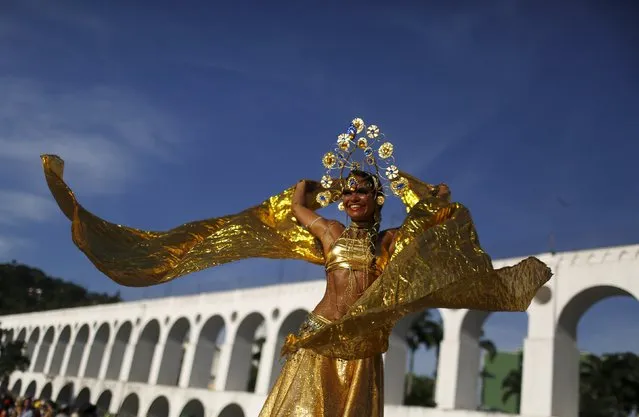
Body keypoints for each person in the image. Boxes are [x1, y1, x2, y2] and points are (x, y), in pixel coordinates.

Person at [40, 117, 552, 416]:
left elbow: (436, 212)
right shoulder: (328, 232)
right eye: (347, 193)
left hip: (363, 345)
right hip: (324, 331)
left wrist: (409, 182)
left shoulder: (392, 243)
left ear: (376, 201)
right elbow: (298, 198)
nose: (351, 198)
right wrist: (322, 188)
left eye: (361, 192)